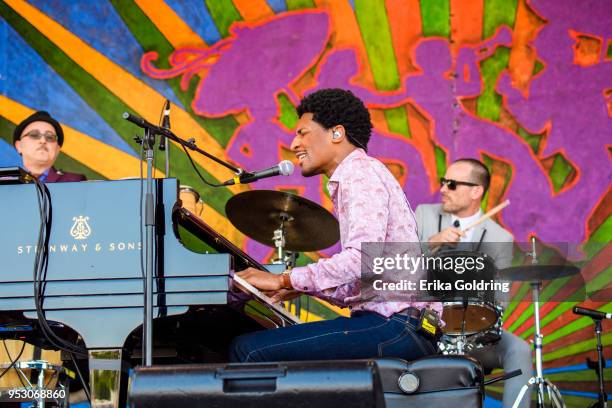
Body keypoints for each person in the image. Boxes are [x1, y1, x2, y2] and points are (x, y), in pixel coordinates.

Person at [230, 88, 442, 363]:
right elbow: (366, 280)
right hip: (406, 326)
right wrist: (302, 286)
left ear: (336, 133)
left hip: (395, 325)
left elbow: (362, 259)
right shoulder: (364, 172)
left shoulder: (359, 173)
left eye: (302, 132)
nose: (294, 144)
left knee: (247, 350)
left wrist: (284, 278)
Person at [414, 159, 532, 408]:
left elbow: (501, 298)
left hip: (473, 332)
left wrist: (478, 319)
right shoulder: (424, 215)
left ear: (476, 191)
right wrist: (432, 243)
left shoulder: (501, 237)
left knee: (519, 349)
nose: (443, 188)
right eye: (443, 182)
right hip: (427, 327)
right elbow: (399, 265)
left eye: (452, 184)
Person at [13, 110, 86, 182]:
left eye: (50, 137)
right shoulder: (5, 184)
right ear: (19, 145)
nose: (43, 141)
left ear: (57, 149)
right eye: (34, 135)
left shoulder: (75, 182)